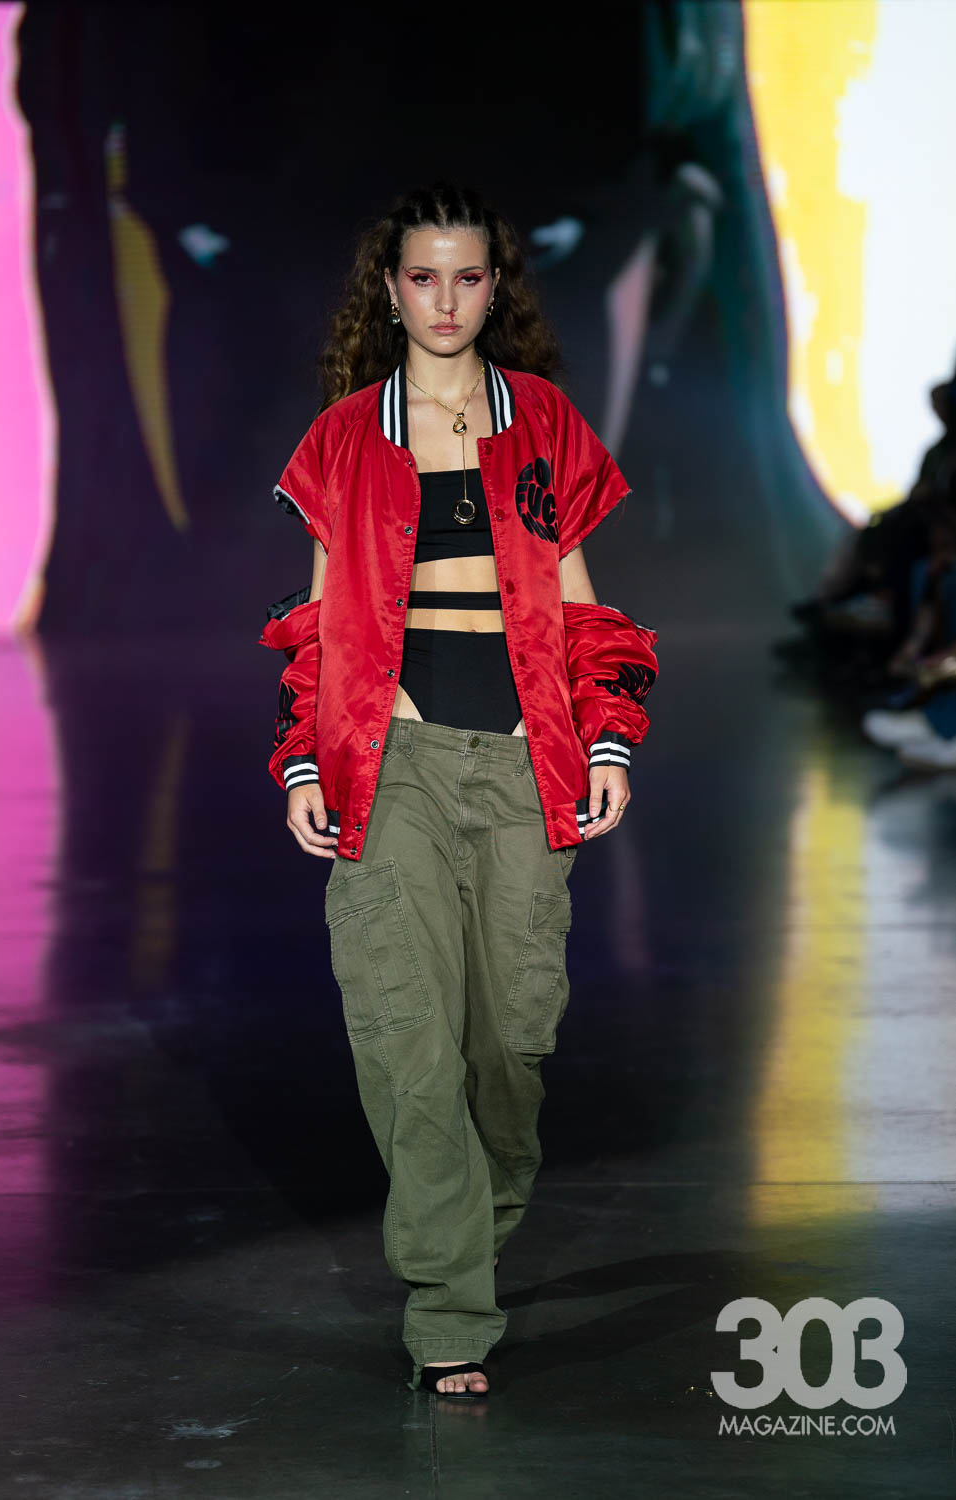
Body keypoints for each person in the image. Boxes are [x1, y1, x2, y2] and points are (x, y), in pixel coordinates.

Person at [258, 183, 659, 1399]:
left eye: (466, 278)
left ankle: (468, 1231)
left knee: (510, 1047)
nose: (444, 300)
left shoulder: (543, 420)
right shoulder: (344, 438)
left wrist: (606, 743)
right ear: (389, 291)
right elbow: (315, 622)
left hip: (528, 763)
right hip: (394, 761)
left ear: (494, 288)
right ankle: (448, 1310)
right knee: (405, 1039)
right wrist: (304, 760)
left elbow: (585, 608)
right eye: (422, 277)